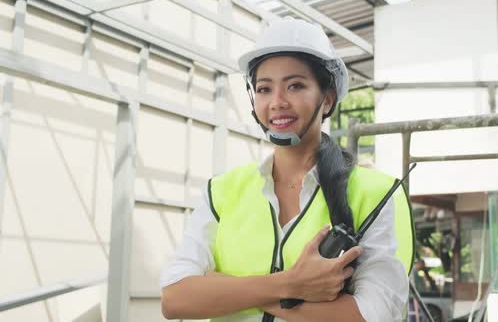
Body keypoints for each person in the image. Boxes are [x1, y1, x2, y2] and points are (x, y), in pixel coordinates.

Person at [160, 17, 410, 322]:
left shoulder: (376, 194)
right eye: (264, 89)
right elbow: (175, 299)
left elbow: (372, 314)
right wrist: (292, 284)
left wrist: (223, 291)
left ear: (327, 98)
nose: (277, 102)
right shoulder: (221, 191)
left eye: (295, 85)